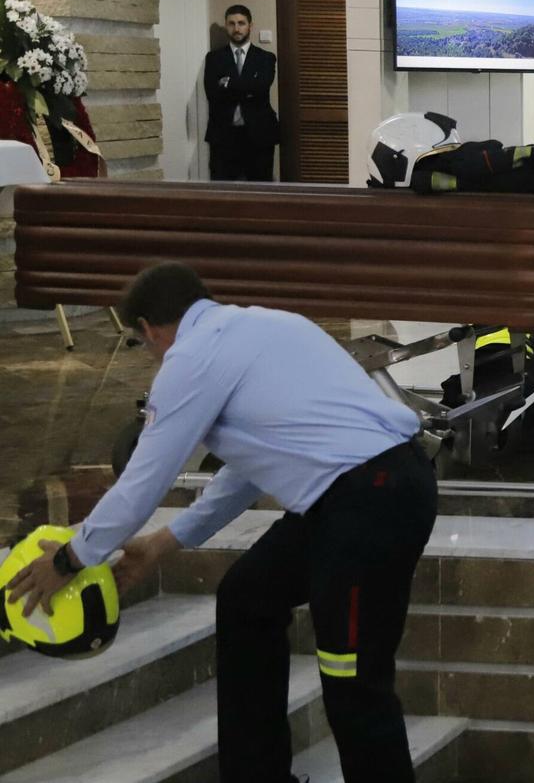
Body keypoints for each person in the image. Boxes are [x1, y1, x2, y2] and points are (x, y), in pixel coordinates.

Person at [4, 262, 436, 782]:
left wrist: (71, 558)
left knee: (353, 681)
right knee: (248, 597)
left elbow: (143, 481)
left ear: (148, 329)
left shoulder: (190, 358)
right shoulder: (269, 326)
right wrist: (167, 541)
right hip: (375, 490)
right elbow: (247, 472)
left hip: (367, 502)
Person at [204, 5, 279, 182]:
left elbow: (261, 88)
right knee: (222, 192)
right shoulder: (214, 58)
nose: (236, 28)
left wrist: (228, 83)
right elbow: (212, 94)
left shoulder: (266, 58)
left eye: (241, 23)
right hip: (224, 135)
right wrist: (247, 88)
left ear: (250, 26)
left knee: (261, 190)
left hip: (259, 134)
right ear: (226, 25)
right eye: (231, 23)